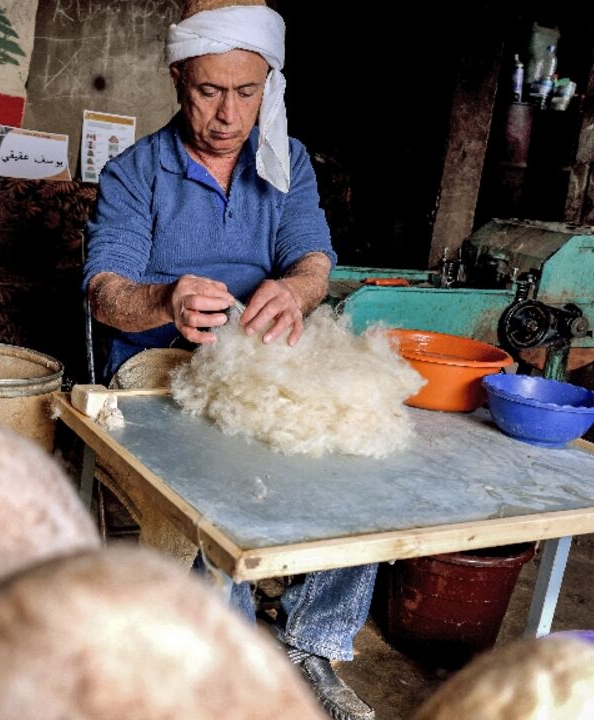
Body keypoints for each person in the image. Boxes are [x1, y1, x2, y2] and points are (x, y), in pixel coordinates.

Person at [81, 2, 378, 719]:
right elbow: (103, 292)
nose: (227, 113)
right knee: (213, 478)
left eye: (247, 92)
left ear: (268, 84)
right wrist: (164, 302)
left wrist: (298, 290)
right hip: (156, 370)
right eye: (209, 90)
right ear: (180, 77)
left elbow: (314, 255)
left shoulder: (286, 160)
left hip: (258, 356)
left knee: (359, 447)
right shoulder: (134, 174)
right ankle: (236, 660)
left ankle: (312, 641)